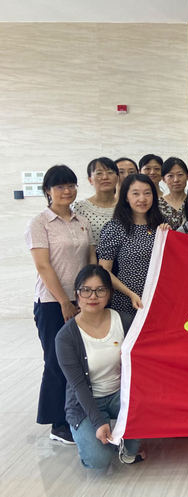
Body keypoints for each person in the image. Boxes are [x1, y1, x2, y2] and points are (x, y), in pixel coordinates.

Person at [25, 165, 95, 444]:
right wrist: (64, 301)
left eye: (71, 185)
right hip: (52, 302)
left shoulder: (82, 221)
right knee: (56, 360)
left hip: (83, 300)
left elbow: (89, 259)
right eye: (60, 186)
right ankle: (58, 423)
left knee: (80, 360)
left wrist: (89, 294)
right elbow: (43, 266)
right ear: (48, 191)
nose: (67, 191)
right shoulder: (40, 223)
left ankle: (77, 413)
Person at [55, 265, 144, 468]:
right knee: (99, 461)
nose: (93, 296)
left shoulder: (124, 321)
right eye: (86, 290)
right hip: (85, 401)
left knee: (131, 452)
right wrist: (98, 422)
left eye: (100, 290)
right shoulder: (66, 337)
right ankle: (90, 439)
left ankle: (123, 440)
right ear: (77, 294)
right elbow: (78, 386)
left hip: (120, 395)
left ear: (109, 293)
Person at [98, 174, 168, 316]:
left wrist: (169, 237)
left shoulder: (161, 226)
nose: (142, 199)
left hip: (159, 299)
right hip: (127, 300)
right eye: (136, 194)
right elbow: (104, 270)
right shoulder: (115, 228)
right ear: (126, 197)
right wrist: (130, 294)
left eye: (147, 193)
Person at [73, 158, 119, 246]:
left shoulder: (126, 206)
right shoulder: (79, 207)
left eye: (110, 172)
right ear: (90, 180)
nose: (105, 177)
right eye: (99, 173)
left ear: (117, 178)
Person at [159, 157, 188, 230]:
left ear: (187, 176)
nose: (176, 180)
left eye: (180, 175)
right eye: (170, 176)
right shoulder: (157, 204)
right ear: (163, 179)